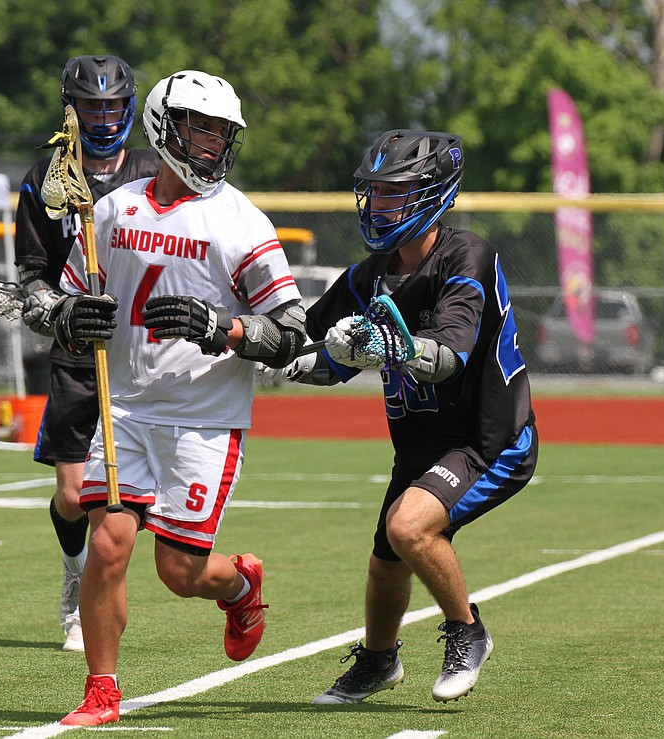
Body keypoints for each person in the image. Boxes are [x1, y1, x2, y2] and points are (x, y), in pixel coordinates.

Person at [22, 69, 307, 726]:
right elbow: (62, 295)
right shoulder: (116, 209)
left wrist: (224, 327)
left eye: (220, 130)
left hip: (203, 422)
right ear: (165, 123)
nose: (209, 141)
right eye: (198, 125)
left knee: (179, 572)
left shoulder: (241, 223)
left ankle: (239, 585)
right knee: (109, 544)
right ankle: (101, 690)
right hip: (123, 412)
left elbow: (290, 330)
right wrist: (66, 315)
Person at [278, 130, 538, 704]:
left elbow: (448, 357)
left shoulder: (467, 256)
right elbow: (303, 339)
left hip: (487, 438)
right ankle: (377, 661)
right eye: (375, 192)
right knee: (386, 562)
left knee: (408, 527)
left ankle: (468, 631)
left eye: (396, 193)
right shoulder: (369, 275)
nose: (380, 205)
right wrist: (231, 334)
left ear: (433, 194)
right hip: (422, 444)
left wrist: (382, 349)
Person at [15, 54, 161, 653]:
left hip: (144, 356)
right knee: (75, 498)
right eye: (91, 106)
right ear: (70, 109)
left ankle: (101, 605)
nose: (103, 118)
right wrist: (60, 309)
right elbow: (32, 278)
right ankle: (76, 580)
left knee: (119, 502)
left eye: (113, 106)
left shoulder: (158, 171)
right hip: (78, 352)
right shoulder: (45, 178)